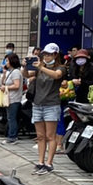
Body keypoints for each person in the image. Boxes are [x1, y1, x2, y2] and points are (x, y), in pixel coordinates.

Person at [26, 42, 66, 174]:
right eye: (45, 54)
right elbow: (27, 75)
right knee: (40, 136)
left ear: (55, 54)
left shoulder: (60, 67)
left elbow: (56, 76)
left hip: (51, 104)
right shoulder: (39, 68)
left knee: (50, 136)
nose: (46, 57)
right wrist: (25, 66)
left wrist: (42, 67)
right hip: (37, 104)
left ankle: (49, 163)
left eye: (49, 54)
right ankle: (40, 162)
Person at [2, 53, 24, 143]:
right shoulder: (11, 72)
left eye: (7, 61)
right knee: (10, 118)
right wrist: (4, 73)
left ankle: (13, 137)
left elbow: (17, 85)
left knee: (12, 118)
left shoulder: (15, 72)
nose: (6, 63)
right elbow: (4, 82)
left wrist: (6, 88)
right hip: (9, 98)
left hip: (14, 99)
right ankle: (11, 135)